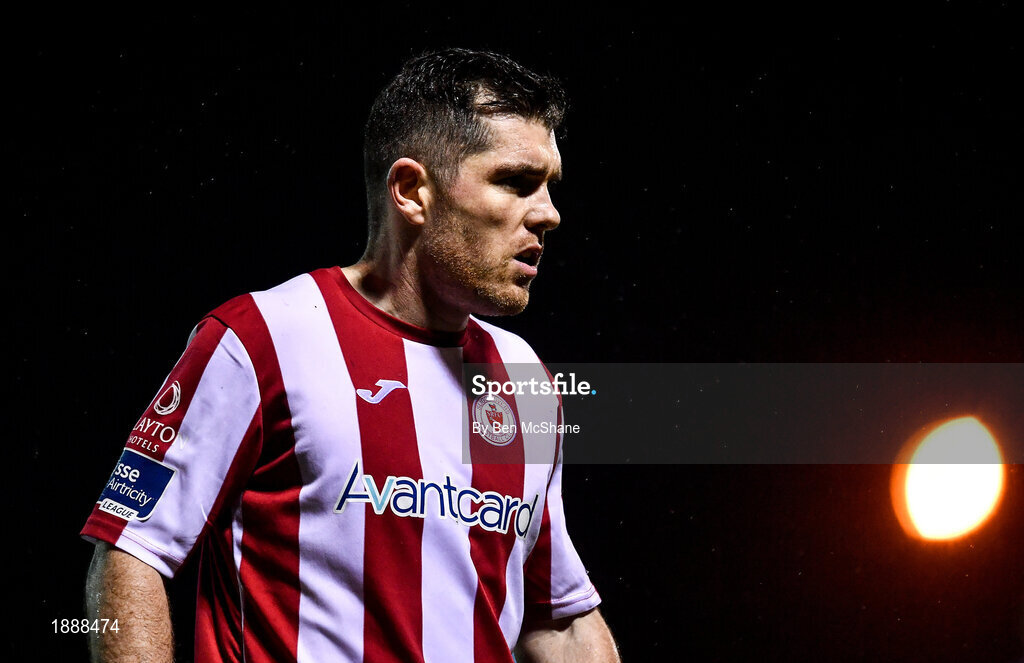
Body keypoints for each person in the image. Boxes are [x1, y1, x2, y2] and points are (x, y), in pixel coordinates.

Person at [81, 48, 620, 662]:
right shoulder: (260, 339)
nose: (549, 214)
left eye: (550, 187)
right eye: (516, 182)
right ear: (411, 191)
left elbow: (557, 620)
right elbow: (131, 551)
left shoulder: (525, 380)